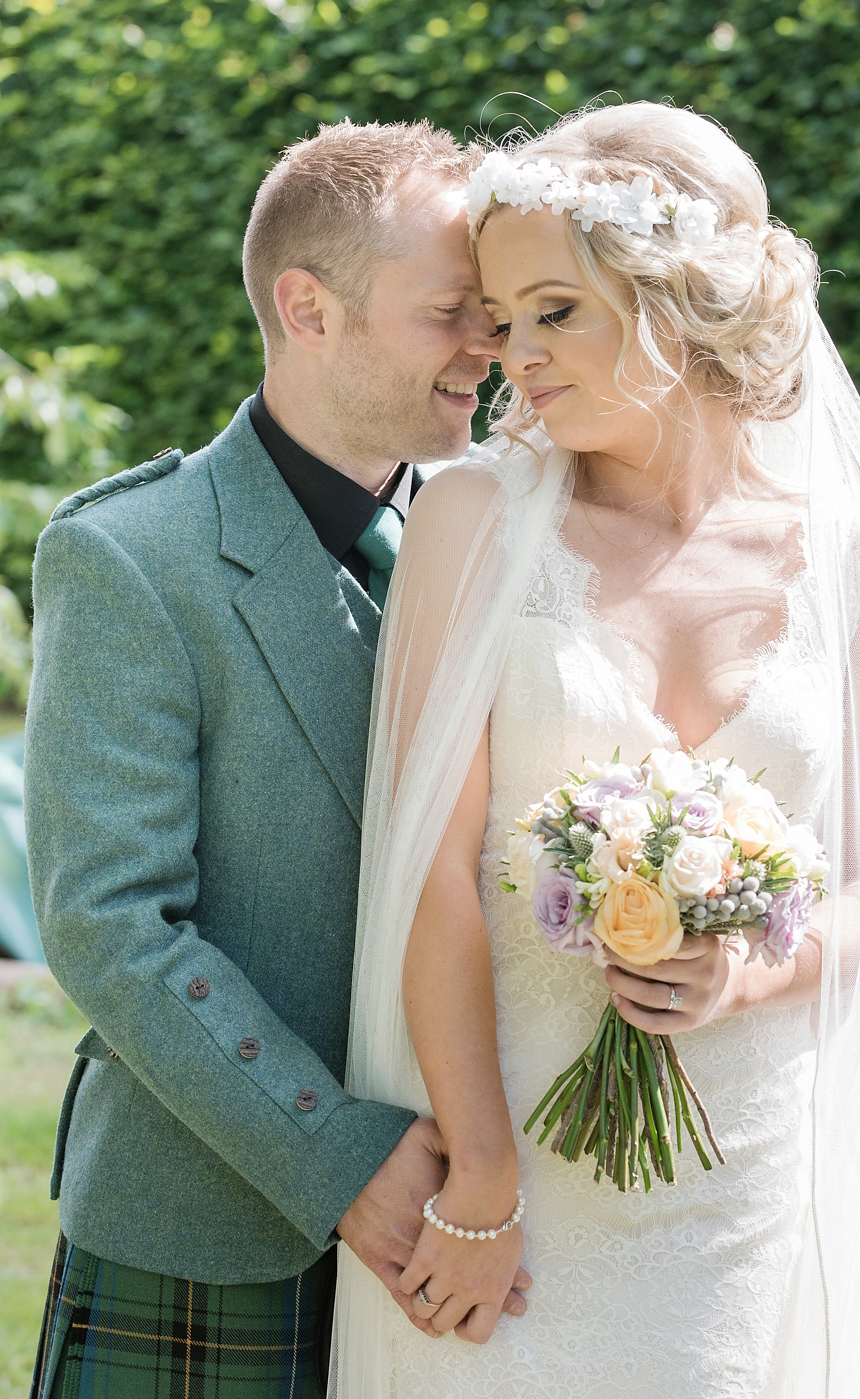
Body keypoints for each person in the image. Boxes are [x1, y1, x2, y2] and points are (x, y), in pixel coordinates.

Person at [334, 102, 860, 1398]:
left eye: (556, 310)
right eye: (503, 318)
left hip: (737, 1171)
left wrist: (743, 978)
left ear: (682, 294)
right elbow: (431, 867)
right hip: (507, 1173)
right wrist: (484, 1178)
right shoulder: (475, 522)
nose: (515, 358)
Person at [25, 118, 530, 1399]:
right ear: (309, 308)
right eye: (451, 312)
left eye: (499, 313)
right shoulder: (133, 555)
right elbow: (113, 923)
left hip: (489, 1217)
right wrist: (339, 1157)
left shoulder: (520, 543)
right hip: (220, 1228)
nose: (493, 348)